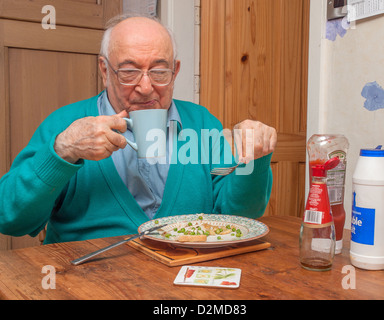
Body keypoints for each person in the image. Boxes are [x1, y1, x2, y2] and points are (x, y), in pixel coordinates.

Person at [0, 15, 277, 244]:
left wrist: (254, 159)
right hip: (89, 282)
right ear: (105, 71)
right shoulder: (66, 123)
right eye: (129, 72)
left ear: (175, 71)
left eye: (159, 72)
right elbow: (10, 219)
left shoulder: (201, 122)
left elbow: (240, 216)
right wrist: (63, 150)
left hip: (185, 280)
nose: (146, 88)